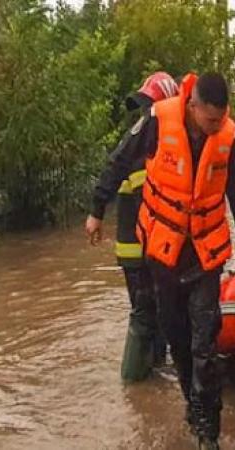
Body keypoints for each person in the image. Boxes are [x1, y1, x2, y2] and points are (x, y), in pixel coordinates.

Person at [93, 72, 235, 449]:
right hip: (164, 253)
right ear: (193, 106)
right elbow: (119, 161)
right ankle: (193, 404)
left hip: (205, 254)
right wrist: (96, 208)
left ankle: (208, 432)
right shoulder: (156, 121)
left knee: (204, 343)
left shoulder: (226, 136)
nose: (216, 126)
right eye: (210, 119)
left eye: (221, 118)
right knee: (177, 338)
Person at [86, 72, 178, 382]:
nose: (146, 113)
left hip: (149, 245)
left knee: (156, 311)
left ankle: (154, 369)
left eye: (149, 106)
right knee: (146, 310)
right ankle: (139, 377)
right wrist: (97, 210)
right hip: (139, 248)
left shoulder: (162, 144)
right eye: (144, 107)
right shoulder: (144, 134)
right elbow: (114, 166)